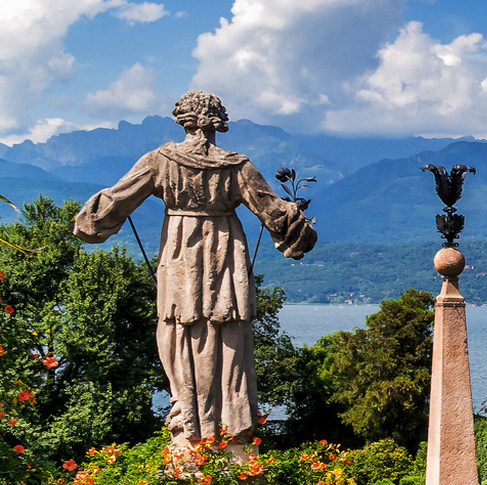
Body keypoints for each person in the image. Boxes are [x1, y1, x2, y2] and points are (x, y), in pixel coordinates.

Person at [72, 91, 318, 445]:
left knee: (178, 329)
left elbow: (116, 201)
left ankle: (187, 417)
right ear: (219, 121)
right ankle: (231, 422)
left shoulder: (160, 160)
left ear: (183, 119)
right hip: (225, 249)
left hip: (180, 250)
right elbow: (274, 213)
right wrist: (301, 232)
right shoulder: (237, 166)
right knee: (229, 327)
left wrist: (92, 220)